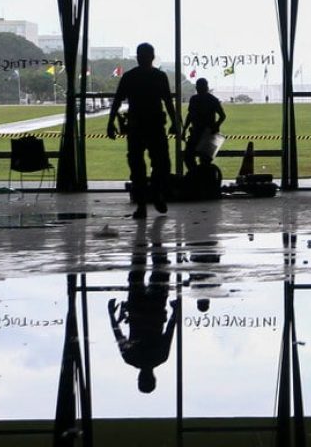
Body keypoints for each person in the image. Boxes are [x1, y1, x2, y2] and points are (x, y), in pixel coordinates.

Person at [107, 43, 178, 219]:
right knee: (161, 164)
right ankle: (156, 195)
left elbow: (117, 101)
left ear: (138, 57)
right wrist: (175, 122)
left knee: (138, 167)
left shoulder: (130, 77)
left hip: (136, 127)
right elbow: (168, 102)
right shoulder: (159, 76)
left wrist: (110, 123)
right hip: (154, 126)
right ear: (152, 57)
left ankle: (142, 205)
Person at [108, 217, 177, 394]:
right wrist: (111, 315)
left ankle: (155, 236)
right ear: (139, 378)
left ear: (153, 378)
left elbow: (169, 331)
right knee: (137, 270)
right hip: (137, 309)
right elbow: (118, 335)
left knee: (160, 269)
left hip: (155, 309)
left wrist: (175, 311)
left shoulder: (160, 357)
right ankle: (141, 232)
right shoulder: (131, 359)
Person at [182, 77, 226, 172]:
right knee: (205, 161)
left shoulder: (194, 99)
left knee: (188, 157)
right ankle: (202, 177)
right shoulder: (212, 99)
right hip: (209, 134)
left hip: (197, 133)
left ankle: (196, 175)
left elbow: (190, 115)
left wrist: (184, 129)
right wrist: (216, 126)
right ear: (207, 87)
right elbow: (222, 116)